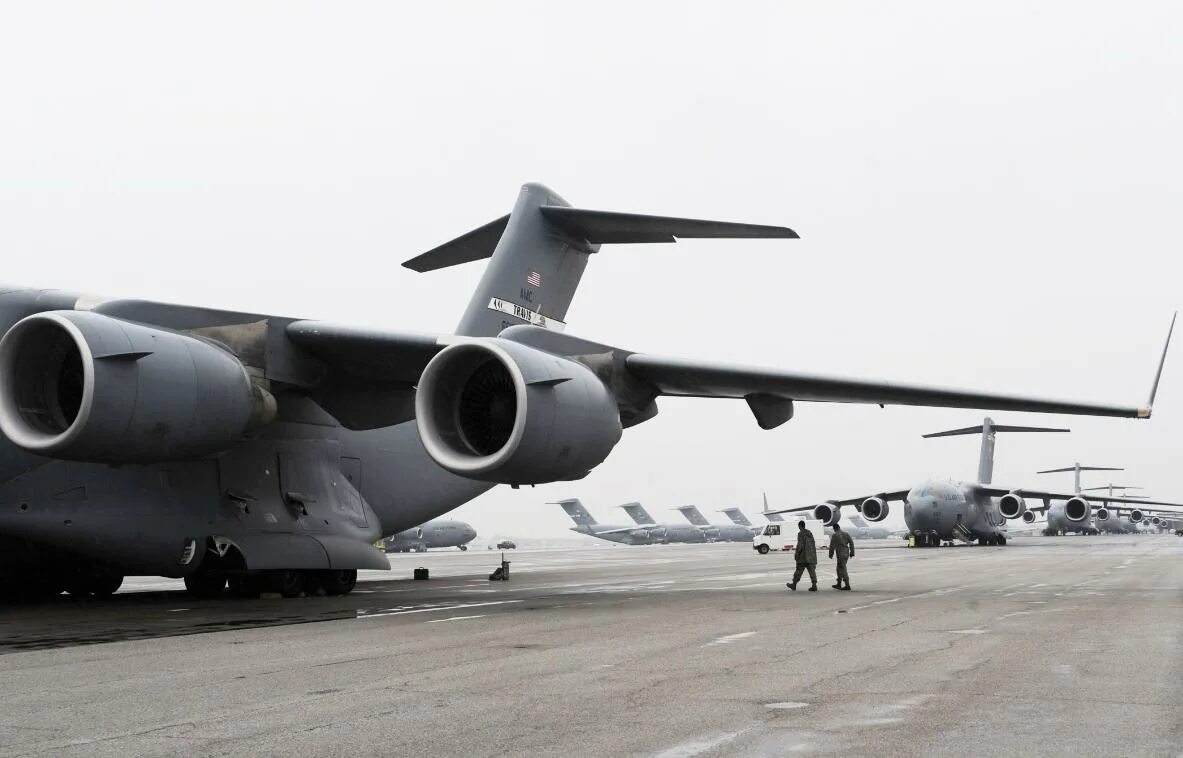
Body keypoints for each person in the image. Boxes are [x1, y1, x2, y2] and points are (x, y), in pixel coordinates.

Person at [786, 520, 818, 591]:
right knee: (812, 571)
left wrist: (796, 554)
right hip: (811, 556)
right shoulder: (809, 533)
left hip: (803, 557)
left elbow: (800, 545)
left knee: (798, 570)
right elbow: (813, 544)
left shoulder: (801, 534)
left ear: (800, 526)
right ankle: (814, 585)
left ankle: (794, 584)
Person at [829, 523, 855, 591]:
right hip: (846, 553)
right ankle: (839, 584)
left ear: (834, 529)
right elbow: (851, 543)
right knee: (839, 569)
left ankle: (847, 585)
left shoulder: (835, 535)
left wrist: (830, 554)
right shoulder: (846, 534)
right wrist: (852, 552)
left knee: (842, 569)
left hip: (840, 554)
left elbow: (832, 546)